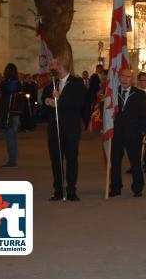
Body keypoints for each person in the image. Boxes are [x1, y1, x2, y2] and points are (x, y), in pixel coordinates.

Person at [42, 56, 86, 201]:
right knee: (56, 159)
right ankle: (58, 190)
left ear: (60, 66)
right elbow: (44, 100)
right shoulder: (53, 84)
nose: (51, 67)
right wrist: (46, 101)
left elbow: (78, 104)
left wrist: (59, 100)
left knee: (71, 159)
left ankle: (71, 190)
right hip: (54, 128)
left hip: (71, 128)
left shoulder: (77, 83)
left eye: (53, 64)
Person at [109, 68, 146, 198]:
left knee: (135, 162)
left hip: (133, 134)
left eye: (128, 77)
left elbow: (143, 116)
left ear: (132, 79)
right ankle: (115, 187)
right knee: (115, 161)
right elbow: (107, 113)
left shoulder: (139, 94)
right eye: (123, 76)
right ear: (119, 78)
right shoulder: (113, 94)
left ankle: (137, 187)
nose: (125, 79)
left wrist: (142, 132)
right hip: (116, 133)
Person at [0, 63, 24, 168]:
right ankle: (13, 159)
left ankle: (12, 161)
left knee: (9, 137)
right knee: (14, 136)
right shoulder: (18, 84)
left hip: (6, 112)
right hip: (16, 112)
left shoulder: (3, 84)